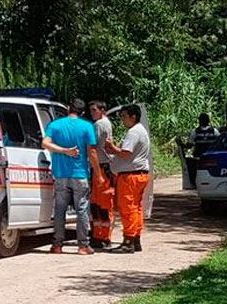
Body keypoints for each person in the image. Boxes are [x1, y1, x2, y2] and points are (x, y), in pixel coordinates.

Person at [42, 98, 105, 255]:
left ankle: (57, 245)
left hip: (60, 174)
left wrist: (63, 150)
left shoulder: (55, 125)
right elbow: (91, 152)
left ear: (68, 108)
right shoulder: (87, 127)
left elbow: (45, 143)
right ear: (83, 112)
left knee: (59, 210)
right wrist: (99, 174)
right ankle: (83, 246)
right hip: (79, 174)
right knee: (82, 209)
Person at [105, 105, 151, 254]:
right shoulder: (141, 131)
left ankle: (128, 241)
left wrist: (112, 148)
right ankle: (135, 238)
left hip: (130, 176)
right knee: (136, 207)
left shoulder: (133, 132)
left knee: (128, 208)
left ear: (133, 117)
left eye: (124, 116)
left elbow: (125, 154)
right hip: (139, 174)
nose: (123, 120)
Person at [88, 100, 116, 250]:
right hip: (102, 167)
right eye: (91, 110)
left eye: (94, 110)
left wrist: (97, 173)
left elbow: (93, 148)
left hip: (101, 168)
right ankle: (100, 236)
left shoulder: (99, 125)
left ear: (102, 110)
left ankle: (103, 237)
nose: (92, 113)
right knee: (99, 204)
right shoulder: (105, 123)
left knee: (103, 204)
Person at [187, 113, 220, 188]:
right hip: (211, 156)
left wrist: (183, 145)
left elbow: (190, 144)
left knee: (196, 170)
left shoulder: (195, 131)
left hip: (199, 156)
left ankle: (194, 184)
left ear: (200, 121)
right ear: (208, 121)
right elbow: (219, 142)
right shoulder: (214, 131)